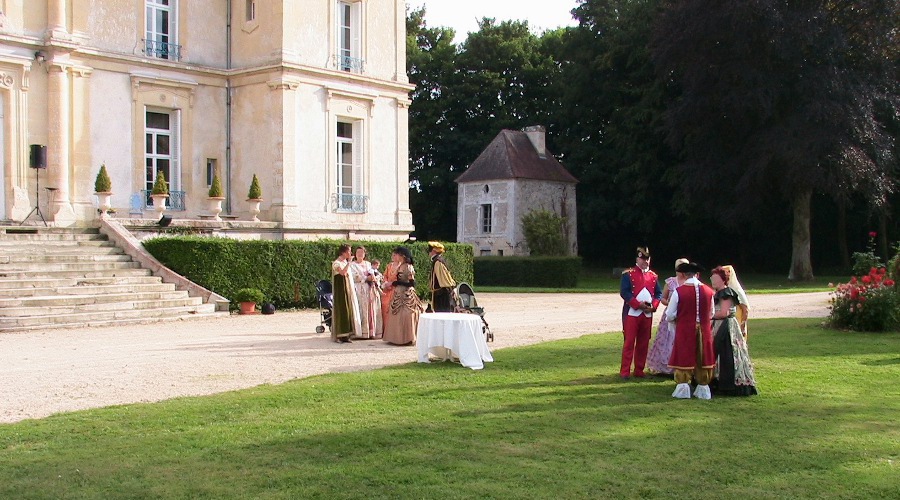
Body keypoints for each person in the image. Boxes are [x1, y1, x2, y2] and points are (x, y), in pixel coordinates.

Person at [665, 261, 716, 399]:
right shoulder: (709, 291)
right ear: (697, 275)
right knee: (703, 357)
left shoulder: (679, 291)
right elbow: (711, 313)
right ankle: (703, 386)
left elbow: (669, 314)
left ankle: (683, 387)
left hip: (685, 329)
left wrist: (676, 320)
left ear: (683, 274)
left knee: (684, 356)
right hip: (704, 330)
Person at [709, 265, 758, 396]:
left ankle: (727, 382)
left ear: (722, 280)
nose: (712, 280)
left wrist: (708, 315)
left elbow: (724, 312)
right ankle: (715, 379)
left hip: (725, 327)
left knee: (726, 352)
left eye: (715, 278)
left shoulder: (726, 293)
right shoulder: (719, 293)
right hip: (719, 325)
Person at [618, 246, 662, 378]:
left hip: (647, 314)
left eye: (647, 259)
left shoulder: (653, 276)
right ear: (637, 259)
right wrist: (637, 304)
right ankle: (625, 371)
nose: (645, 261)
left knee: (643, 343)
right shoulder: (628, 274)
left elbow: (658, 294)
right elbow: (624, 292)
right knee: (629, 342)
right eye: (643, 259)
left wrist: (653, 306)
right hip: (632, 313)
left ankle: (639, 369)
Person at [645, 258, 689, 375]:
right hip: (671, 313)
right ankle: (664, 367)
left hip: (684, 314)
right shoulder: (670, 282)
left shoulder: (690, 282)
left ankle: (680, 367)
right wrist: (671, 303)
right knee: (666, 339)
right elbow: (662, 298)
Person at [383, 246, 425, 345]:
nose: (395, 256)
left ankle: (408, 338)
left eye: (397, 254)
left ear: (402, 256)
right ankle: (397, 338)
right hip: (398, 292)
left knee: (407, 314)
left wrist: (397, 283)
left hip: (406, 293)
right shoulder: (400, 265)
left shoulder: (408, 267)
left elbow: (412, 283)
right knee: (396, 313)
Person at [331, 243, 360, 343]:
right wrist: (349, 263)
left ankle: (347, 335)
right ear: (343, 252)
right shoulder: (337, 263)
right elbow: (342, 273)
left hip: (347, 289)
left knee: (348, 310)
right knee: (341, 310)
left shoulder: (344, 262)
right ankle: (339, 335)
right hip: (340, 290)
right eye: (348, 251)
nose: (350, 253)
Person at [349, 246, 377, 339]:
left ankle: (368, 332)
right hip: (358, 288)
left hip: (368, 288)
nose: (360, 254)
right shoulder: (352, 265)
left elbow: (374, 272)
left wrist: (374, 278)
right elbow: (354, 276)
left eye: (362, 252)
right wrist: (365, 278)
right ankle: (359, 332)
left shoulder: (368, 264)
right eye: (358, 252)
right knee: (359, 308)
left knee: (369, 310)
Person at [427, 241, 456, 312]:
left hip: (442, 295)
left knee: (442, 313)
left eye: (429, 250)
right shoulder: (437, 261)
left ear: (433, 251)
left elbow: (444, 281)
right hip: (440, 294)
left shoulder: (438, 262)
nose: (428, 252)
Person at [381, 255, 400, 329]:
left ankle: (393, 330)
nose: (394, 256)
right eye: (393, 255)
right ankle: (386, 329)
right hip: (387, 290)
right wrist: (386, 283)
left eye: (395, 255)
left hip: (396, 289)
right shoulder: (389, 266)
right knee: (385, 307)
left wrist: (392, 283)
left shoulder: (401, 266)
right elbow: (385, 276)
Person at [370, 259, 384, 338]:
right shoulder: (371, 270)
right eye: (377, 265)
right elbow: (373, 277)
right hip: (373, 285)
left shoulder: (376, 271)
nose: (378, 267)